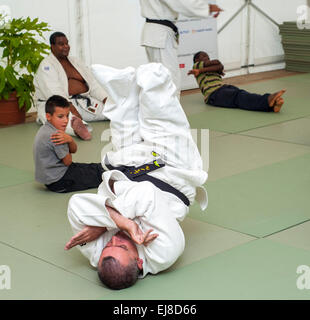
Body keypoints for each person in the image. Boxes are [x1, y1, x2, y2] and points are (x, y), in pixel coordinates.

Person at [64, 63, 208, 290]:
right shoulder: (163, 253)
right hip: (172, 172)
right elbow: (147, 195)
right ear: (139, 262)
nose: (115, 240)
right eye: (122, 247)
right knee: (158, 104)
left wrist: (109, 225)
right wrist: (113, 223)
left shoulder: (97, 254)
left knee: (123, 111)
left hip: (126, 169)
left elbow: (75, 204)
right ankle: (150, 78)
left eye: (107, 245)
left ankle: (124, 85)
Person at [34, 32, 108, 140]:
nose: (66, 46)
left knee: (113, 111)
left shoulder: (76, 61)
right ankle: (77, 126)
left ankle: (79, 121)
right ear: (52, 46)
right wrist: (73, 111)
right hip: (55, 105)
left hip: (83, 102)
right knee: (63, 119)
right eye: (61, 44)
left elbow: (93, 84)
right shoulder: (47, 65)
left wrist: (106, 99)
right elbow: (55, 93)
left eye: (67, 43)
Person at [139, 0, 223, 97]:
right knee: (170, 80)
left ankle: (164, 110)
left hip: (156, 33)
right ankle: (171, 111)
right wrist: (206, 8)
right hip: (160, 34)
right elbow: (179, 2)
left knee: (160, 80)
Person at [33, 95, 104, 193]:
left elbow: (74, 150)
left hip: (50, 178)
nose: (66, 120)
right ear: (48, 116)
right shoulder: (56, 135)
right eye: (60, 117)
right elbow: (68, 161)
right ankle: (125, 174)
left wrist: (70, 140)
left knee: (93, 167)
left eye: (67, 116)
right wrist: (66, 140)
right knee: (98, 175)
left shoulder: (46, 128)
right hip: (60, 180)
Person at [188, 51, 286, 112]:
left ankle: (271, 106)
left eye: (208, 56)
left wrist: (201, 71)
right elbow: (217, 62)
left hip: (223, 89)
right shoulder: (196, 65)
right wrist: (201, 69)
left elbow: (220, 66)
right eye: (204, 56)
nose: (207, 58)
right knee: (239, 97)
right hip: (214, 94)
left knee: (242, 95)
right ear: (197, 60)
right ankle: (267, 99)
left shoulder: (203, 69)